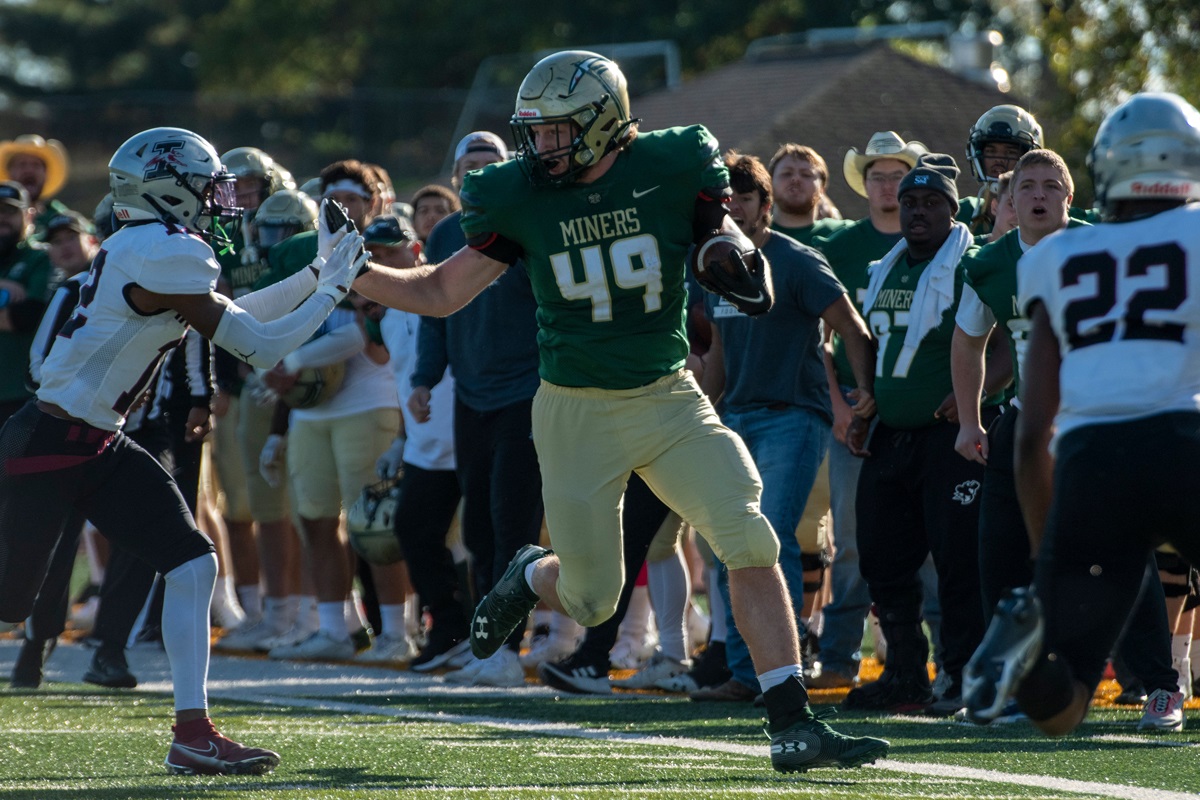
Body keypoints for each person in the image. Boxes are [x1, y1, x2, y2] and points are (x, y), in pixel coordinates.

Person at [351, 50, 888, 773]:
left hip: (667, 395)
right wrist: (355, 269)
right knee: (593, 598)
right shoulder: (520, 194)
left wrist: (732, 253)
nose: (541, 146)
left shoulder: (671, 165)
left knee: (749, 534)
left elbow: (719, 233)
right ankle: (530, 574)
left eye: (556, 131)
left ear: (604, 123)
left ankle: (792, 722)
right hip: (575, 411)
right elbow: (442, 293)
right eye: (534, 133)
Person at [0, 126, 367, 775]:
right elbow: (261, 346)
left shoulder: (146, 244)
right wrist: (335, 287)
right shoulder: (167, 251)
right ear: (170, 188)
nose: (218, 200)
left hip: (94, 439)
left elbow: (233, 313)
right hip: (49, 444)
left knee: (193, 563)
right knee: (9, 603)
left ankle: (192, 732)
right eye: (206, 187)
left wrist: (316, 272)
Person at [964, 92, 1200, 736]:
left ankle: (1029, 666)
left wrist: (1048, 569)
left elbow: (1033, 427)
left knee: (1064, 706)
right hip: (1183, 442)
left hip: (1093, 457)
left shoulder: (1053, 259)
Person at [692, 151, 876, 703]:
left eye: (743, 201)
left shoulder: (797, 260)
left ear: (764, 206)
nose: (732, 212)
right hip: (737, 417)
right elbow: (720, 351)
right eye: (726, 202)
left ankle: (782, 675)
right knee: (733, 544)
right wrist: (704, 409)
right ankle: (750, 675)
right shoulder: (715, 264)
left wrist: (865, 391)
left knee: (768, 539)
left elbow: (850, 326)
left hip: (794, 414)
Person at [842, 153, 995, 717]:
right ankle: (906, 671)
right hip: (893, 433)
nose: (917, 212)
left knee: (958, 562)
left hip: (947, 436)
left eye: (932, 203)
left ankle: (963, 673)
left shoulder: (970, 262)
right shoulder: (887, 266)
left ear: (953, 211)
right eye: (910, 201)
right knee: (881, 558)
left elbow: (1002, 345)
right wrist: (865, 404)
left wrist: (974, 397)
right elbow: (880, 349)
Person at [409, 130, 544, 687]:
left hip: (526, 391)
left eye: (492, 164)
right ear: (457, 174)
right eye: (471, 166)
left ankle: (510, 648)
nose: (480, 174)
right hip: (471, 392)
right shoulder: (444, 233)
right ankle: (485, 641)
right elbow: (433, 308)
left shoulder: (529, 220)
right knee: (479, 526)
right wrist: (423, 377)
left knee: (514, 521)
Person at [807, 131, 927, 689]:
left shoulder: (942, 243)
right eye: (877, 175)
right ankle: (837, 657)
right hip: (857, 409)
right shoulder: (839, 243)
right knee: (852, 540)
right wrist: (837, 400)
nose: (887, 185)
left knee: (928, 542)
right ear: (864, 184)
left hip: (918, 408)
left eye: (898, 175)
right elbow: (819, 335)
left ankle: (941, 658)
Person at [0, 181, 53, 424]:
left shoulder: (41, 258)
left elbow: (26, 317)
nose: (2, 218)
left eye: (10, 211)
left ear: (29, 214)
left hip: (22, 393)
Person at [962, 105, 1043, 234]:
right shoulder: (960, 213)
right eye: (991, 151)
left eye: (1010, 152)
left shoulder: (1046, 217)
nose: (998, 160)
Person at [766, 144, 848, 246]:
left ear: (822, 189)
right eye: (787, 173)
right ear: (769, 184)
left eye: (806, 174)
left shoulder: (844, 234)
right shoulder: (750, 235)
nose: (795, 179)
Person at [0, 135, 74, 236]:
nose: (29, 171)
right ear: (9, 173)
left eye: (36, 165)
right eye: (22, 164)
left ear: (46, 174)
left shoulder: (62, 218)